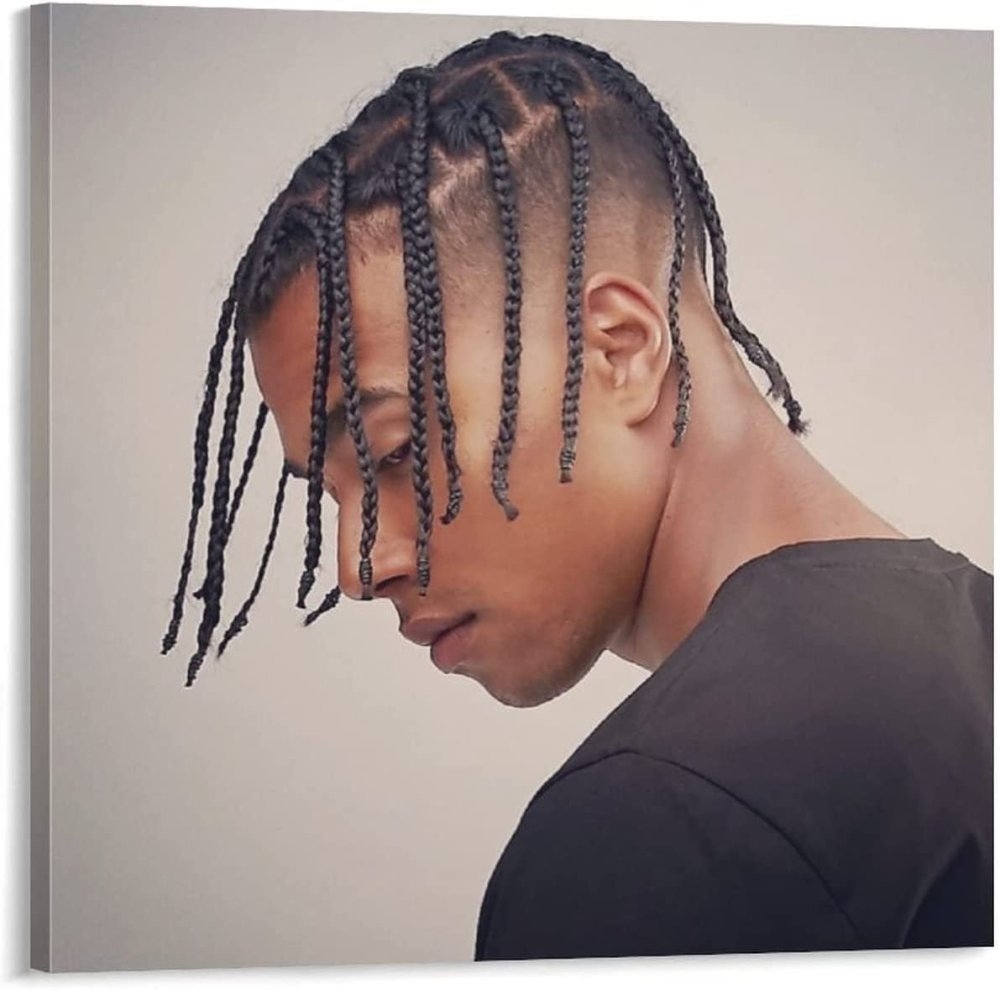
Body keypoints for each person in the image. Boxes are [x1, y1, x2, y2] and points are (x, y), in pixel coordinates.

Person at [160, 30, 993, 959]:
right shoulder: (974, 650)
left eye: (393, 453)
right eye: (330, 494)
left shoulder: (661, 825)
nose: (359, 568)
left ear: (618, 351)